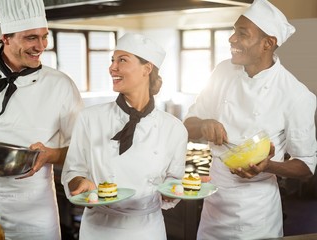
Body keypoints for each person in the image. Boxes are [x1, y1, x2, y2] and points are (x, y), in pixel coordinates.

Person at [184, 0, 317, 239]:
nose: (232, 39)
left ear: (268, 43)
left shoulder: (296, 95)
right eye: (234, 31)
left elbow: (306, 166)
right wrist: (203, 125)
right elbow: (188, 126)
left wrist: (269, 167)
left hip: (257, 215)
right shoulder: (222, 71)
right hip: (213, 206)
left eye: (242, 34)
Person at [0, 0, 83, 239]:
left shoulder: (61, 85)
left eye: (44, 37)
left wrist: (51, 155)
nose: (41, 46)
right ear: (6, 38)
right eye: (30, 38)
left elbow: (81, 148)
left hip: (35, 211)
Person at [61, 32, 188, 240]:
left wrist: (179, 188)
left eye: (122, 60)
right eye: (112, 60)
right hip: (98, 228)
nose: (112, 67)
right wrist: (78, 182)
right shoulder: (90, 118)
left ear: (147, 69)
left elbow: (173, 181)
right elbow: (74, 170)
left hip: (147, 229)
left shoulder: (174, 128)